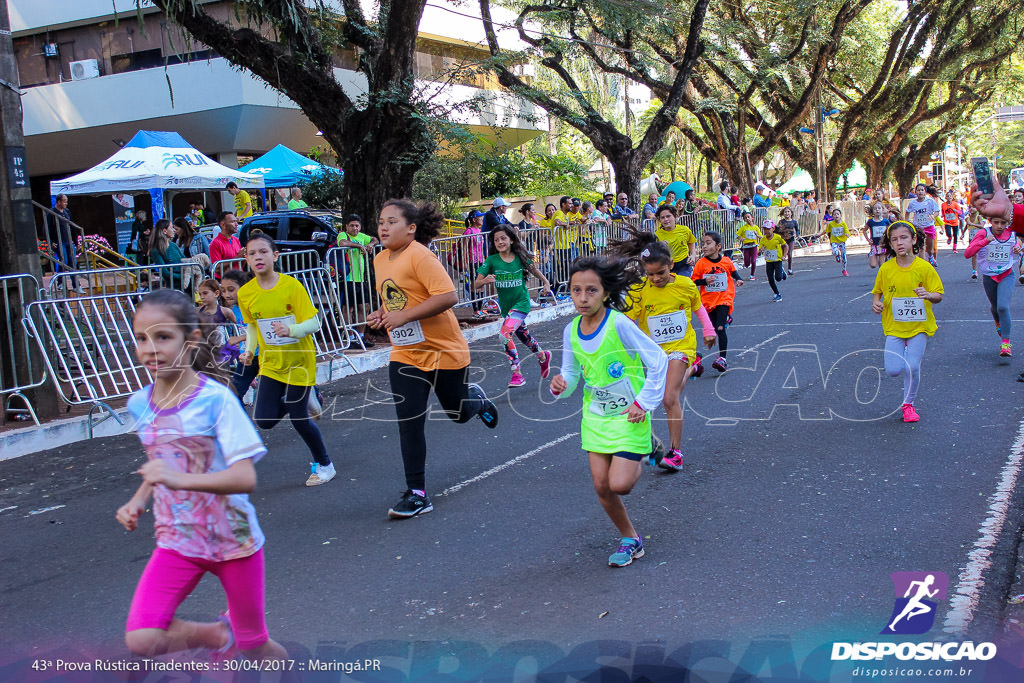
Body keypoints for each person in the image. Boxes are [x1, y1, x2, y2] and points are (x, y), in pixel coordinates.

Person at [118, 289, 287, 663]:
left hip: (233, 541)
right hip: (177, 540)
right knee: (142, 640)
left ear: (191, 340)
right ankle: (215, 634)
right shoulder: (139, 403)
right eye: (141, 338)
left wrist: (179, 481)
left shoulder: (216, 400)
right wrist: (138, 498)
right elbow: (165, 460)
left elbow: (244, 478)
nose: (150, 348)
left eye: (163, 337)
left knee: (256, 646)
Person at [367, 199, 499, 519]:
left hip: (444, 351)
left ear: (411, 229)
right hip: (406, 352)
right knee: (409, 422)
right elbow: (397, 297)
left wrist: (405, 315)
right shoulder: (380, 259)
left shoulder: (420, 256)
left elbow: (448, 296)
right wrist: (383, 313)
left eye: (391, 222)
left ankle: (476, 401)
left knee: (458, 413)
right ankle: (417, 493)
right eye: (381, 221)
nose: (383, 227)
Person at [549, 255, 667, 567]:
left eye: (591, 290)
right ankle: (631, 539)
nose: (582, 298)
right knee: (602, 486)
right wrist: (561, 384)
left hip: (631, 413)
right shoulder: (571, 331)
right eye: (576, 291)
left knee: (620, 485)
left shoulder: (619, 324)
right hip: (596, 416)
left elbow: (658, 360)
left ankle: (646, 447)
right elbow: (572, 375)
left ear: (604, 292)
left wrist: (645, 402)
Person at [237, 230, 334, 486]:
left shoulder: (291, 286)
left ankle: (325, 465)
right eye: (252, 253)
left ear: (275, 255)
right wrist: (249, 350)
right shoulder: (246, 293)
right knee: (265, 420)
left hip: (300, 360)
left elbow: (314, 321)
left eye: (263, 252)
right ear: (246, 259)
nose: (258, 257)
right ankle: (304, 397)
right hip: (270, 363)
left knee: (298, 416)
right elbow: (253, 327)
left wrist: (291, 330)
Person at [615, 229, 715, 472]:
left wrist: (708, 330)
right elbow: (629, 321)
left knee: (669, 398)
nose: (656, 278)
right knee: (668, 391)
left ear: (671, 264)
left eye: (661, 273)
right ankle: (692, 369)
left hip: (681, 346)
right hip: (655, 353)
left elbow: (698, 308)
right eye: (650, 274)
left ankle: (675, 453)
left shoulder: (685, 285)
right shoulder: (640, 289)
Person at [871, 221, 943, 423]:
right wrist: (876, 304)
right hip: (894, 327)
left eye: (903, 238)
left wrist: (928, 295)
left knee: (912, 366)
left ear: (914, 239)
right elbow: (877, 293)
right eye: (894, 240)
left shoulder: (924, 268)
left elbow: (939, 295)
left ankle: (908, 405)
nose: (899, 243)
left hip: (919, 326)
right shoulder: (886, 269)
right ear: (890, 245)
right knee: (893, 370)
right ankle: (905, 356)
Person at [474, 225, 554, 387]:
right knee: (524, 337)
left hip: (521, 303)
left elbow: (534, 270)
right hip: (507, 307)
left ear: (511, 240)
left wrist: (546, 282)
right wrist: (484, 281)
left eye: (503, 238)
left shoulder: (520, 257)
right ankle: (543, 356)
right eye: (496, 240)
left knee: (504, 335)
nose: (500, 242)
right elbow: (476, 284)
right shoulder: (491, 261)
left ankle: (517, 374)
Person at [963, 208, 1019, 357]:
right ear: (990, 222)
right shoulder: (984, 233)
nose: (999, 226)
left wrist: (1018, 248)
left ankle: (1006, 344)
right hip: (989, 276)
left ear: (1008, 223)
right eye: (996, 222)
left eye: (1003, 223)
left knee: (1003, 306)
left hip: (1006, 274)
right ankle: (998, 322)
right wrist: (985, 241)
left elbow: (1018, 246)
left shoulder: (1012, 234)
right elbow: (968, 254)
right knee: (995, 307)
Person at [691, 231, 744, 372]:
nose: (704, 246)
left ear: (718, 246)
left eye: (708, 243)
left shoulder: (726, 260)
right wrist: (704, 281)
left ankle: (722, 359)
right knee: (714, 328)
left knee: (720, 328)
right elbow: (693, 280)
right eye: (703, 243)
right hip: (708, 302)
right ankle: (726, 319)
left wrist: (739, 279)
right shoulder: (701, 264)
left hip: (724, 299)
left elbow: (732, 271)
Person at [335, 213, 379, 348]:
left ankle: (360, 336)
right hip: (348, 278)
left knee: (364, 307)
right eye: (352, 225)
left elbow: (375, 239)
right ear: (347, 226)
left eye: (357, 226)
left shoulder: (362, 236)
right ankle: (350, 337)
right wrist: (359, 246)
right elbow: (342, 243)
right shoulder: (343, 235)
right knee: (348, 308)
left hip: (361, 278)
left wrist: (371, 244)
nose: (355, 228)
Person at [220, 270, 260, 401]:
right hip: (247, 356)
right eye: (223, 290)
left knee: (273, 400)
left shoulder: (253, 305)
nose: (226, 295)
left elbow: (260, 330)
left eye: (231, 290)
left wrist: (239, 338)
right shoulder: (235, 309)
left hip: (265, 355)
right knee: (234, 395)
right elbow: (245, 329)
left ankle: (312, 392)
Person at [653, 204, 697, 277]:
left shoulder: (684, 230)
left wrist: (693, 255)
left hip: (684, 265)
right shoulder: (657, 235)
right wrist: (660, 247)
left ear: (675, 216)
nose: (665, 219)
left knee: (682, 285)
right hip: (667, 266)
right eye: (662, 218)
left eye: (668, 216)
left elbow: (691, 242)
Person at [46, 193, 79, 290]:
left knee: (72, 262)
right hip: (59, 241)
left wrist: (75, 241)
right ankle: (60, 282)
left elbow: (72, 226)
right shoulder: (51, 213)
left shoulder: (67, 212)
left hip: (68, 240)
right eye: (64, 201)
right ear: (59, 201)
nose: (66, 204)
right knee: (63, 260)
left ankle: (75, 284)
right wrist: (50, 241)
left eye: (66, 202)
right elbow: (47, 228)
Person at [461, 211, 487, 318]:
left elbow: (482, 247)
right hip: (472, 261)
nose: (482, 219)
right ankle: (475, 310)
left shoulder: (480, 231)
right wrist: (465, 262)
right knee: (474, 285)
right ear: (474, 219)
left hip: (481, 261)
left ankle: (480, 309)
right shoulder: (469, 231)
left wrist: (485, 260)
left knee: (481, 285)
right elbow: (464, 248)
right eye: (479, 217)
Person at [905, 184, 940, 266]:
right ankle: (923, 265)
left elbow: (937, 212)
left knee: (930, 249)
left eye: (922, 190)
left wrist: (932, 216)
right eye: (918, 190)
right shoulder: (913, 203)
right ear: (915, 192)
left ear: (925, 192)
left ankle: (931, 257)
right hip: (918, 228)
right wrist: (907, 222)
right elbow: (907, 212)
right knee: (921, 248)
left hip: (929, 226)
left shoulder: (930, 201)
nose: (920, 192)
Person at [759, 221, 788, 301]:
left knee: (778, 278)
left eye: (768, 229)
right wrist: (760, 250)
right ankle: (777, 294)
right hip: (769, 261)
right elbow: (759, 252)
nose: (766, 231)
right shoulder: (763, 240)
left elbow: (786, 246)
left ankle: (782, 271)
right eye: (764, 229)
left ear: (773, 229)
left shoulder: (777, 237)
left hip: (778, 260)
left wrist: (784, 255)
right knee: (770, 279)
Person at [863, 201, 891, 270]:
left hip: (883, 245)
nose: (877, 210)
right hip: (874, 245)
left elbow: (890, 231)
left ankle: (882, 278)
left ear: (882, 210)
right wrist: (868, 240)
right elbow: (864, 230)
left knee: (882, 266)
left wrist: (889, 240)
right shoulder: (870, 221)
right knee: (873, 265)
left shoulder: (885, 221)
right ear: (873, 211)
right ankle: (871, 255)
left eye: (879, 208)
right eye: (875, 209)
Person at [735, 209, 762, 280]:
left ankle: (752, 274)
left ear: (752, 217)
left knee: (753, 260)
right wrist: (740, 238)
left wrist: (757, 235)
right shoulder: (743, 228)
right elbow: (737, 235)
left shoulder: (756, 227)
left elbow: (760, 236)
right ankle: (746, 263)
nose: (747, 219)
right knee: (747, 263)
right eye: (745, 218)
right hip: (746, 246)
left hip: (754, 246)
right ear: (744, 220)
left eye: (748, 217)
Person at [826, 207, 850, 276]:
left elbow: (847, 231)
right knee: (835, 251)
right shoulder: (831, 224)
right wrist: (819, 235)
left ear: (840, 215)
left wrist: (847, 234)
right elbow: (826, 230)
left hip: (842, 242)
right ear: (832, 216)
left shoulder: (843, 224)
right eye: (834, 214)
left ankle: (844, 269)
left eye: (838, 214)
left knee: (844, 256)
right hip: (834, 241)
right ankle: (837, 255)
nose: (836, 215)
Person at [965, 205, 986, 280]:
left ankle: (986, 269)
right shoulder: (967, 218)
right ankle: (974, 271)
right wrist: (962, 234)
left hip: (980, 239)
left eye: (973, 207)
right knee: (974, 254)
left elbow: (982, 226)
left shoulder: (978, 217)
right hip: (972, 239)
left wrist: (972, 224)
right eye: (970, 207)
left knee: (983, 254)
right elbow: (967, 226)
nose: (971, 209)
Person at [777, 206, 799, 276]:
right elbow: (777, 230)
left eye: (788, 212)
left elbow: (798, 230)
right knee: (782, 254)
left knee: (789, 253)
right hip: (783, 239)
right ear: (783, 214)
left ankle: (789, 268)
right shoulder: (781, 222)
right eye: (785, 212)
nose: (787, 213)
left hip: (791, 239)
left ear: (791, 213)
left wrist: (796, 235)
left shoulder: (794, 222)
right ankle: (780, 268)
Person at [941, 189, 963, 254]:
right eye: (947, 196)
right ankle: (949, 237)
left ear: (952, 197)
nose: (949, 197)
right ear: (946, 197)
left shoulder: (955, 204)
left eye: (950, 196)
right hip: (947, 221)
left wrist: (956, 211)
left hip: (955, 222)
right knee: (948, 232)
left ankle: (954, 248)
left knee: (955, 235)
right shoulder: (943, 204)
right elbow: (943, 210)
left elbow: (960, 212)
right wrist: (943, 215)